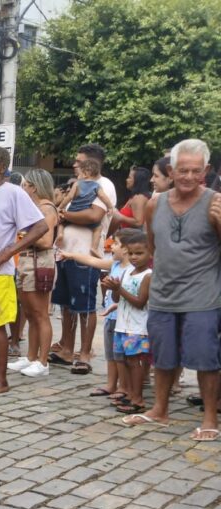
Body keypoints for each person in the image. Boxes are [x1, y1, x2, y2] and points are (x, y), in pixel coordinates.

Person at [129, 138, 221, 441]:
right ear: (171, 170)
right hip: (163, 293)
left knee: (206, 358)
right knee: (163, 355)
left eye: (196, 171)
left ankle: (210, 418)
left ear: (206, 170)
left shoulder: (215, 203)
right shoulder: (155, 204)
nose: (189, 177)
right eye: (183, 170)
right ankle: (160, 409)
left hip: (203, 295)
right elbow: (154, 247)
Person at [0, 147, 49, 395]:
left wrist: (8, 252)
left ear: (2, 167)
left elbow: (41, 227)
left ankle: (1, 380)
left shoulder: (13, 193)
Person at [50, 143, 116, 374]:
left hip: (86, 255)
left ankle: (85, 353)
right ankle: (67, 349)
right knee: (66, 304)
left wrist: (64, 214)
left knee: (85, 305)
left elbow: (93, 216)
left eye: (79, 161)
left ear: (92, 163)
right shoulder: (78, 183)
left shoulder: (103, 184)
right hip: (65, 252)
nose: (74, 165)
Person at [7, 169, 58, 377]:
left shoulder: (46, 208)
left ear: (34, 187)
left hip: (39, 261)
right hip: (28, 260)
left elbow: (46, 241)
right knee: (29, 313)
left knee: (40, 314)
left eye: (26, 185)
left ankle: (42, 361)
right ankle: (31, 357)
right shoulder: (35, 208)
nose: (23, 188)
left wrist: (24, 235)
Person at [103, 230, 152, 414]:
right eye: (131, 253)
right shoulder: (127, 272)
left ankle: (138, 399)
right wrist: (113, 288)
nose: (134, 257)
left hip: (137, 327)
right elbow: (118, 298)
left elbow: (140, 302)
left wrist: (120, 290)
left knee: (134, 362)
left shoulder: (148, 275)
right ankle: (131, 394)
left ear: (150, 253)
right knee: (124, 361)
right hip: (122, 325)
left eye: (139, 253)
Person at [81, 232, 132, 402]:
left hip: (123, 319)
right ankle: (111, 384)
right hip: (110, 317)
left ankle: (124, 386)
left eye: (116, 243)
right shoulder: (115, 264)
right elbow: (93, 261)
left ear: (126, 249)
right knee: (111, 354)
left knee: (122, 356)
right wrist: (71, 255)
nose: (112, 246)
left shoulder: (131, 270)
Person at [56, 157, 113, 255]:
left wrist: (60, 208)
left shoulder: (77, 184)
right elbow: (103, 197)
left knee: (61, 223)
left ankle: (60, 234)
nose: (78, 175)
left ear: (85, 173)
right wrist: (110, 207)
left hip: (73, 211)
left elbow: (69, 197)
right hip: (84, 213)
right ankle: (94, 247)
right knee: (98, 228)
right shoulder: (97, 186)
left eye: (80, 172)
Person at [111, 166, 152, 231]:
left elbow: (139, 222)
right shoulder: (135, 197)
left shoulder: (139, 198)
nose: (127, 180)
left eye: (129, 177)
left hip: (134, 235)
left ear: (137, 180)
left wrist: (120, 217)